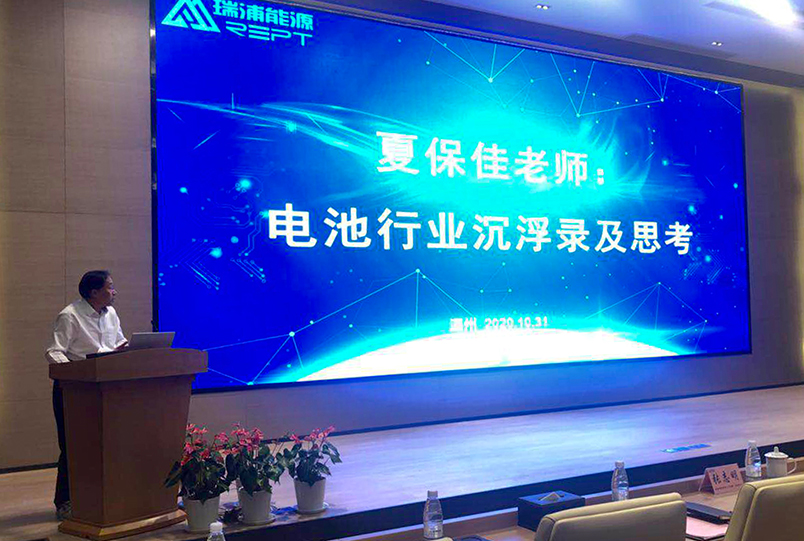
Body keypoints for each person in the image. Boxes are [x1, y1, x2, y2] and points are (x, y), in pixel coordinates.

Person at [46, 270, 128, 520]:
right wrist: (76, 373)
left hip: (107, 387)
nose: (114, 292)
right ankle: (65, 501)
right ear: (94, 292)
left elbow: (118, 343)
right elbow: (54, 352)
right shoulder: (70, 315)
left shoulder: (111, 314)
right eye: (110, 287)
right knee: (73, 446)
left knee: (108, 445)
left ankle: (104, 496)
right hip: (75, 389)